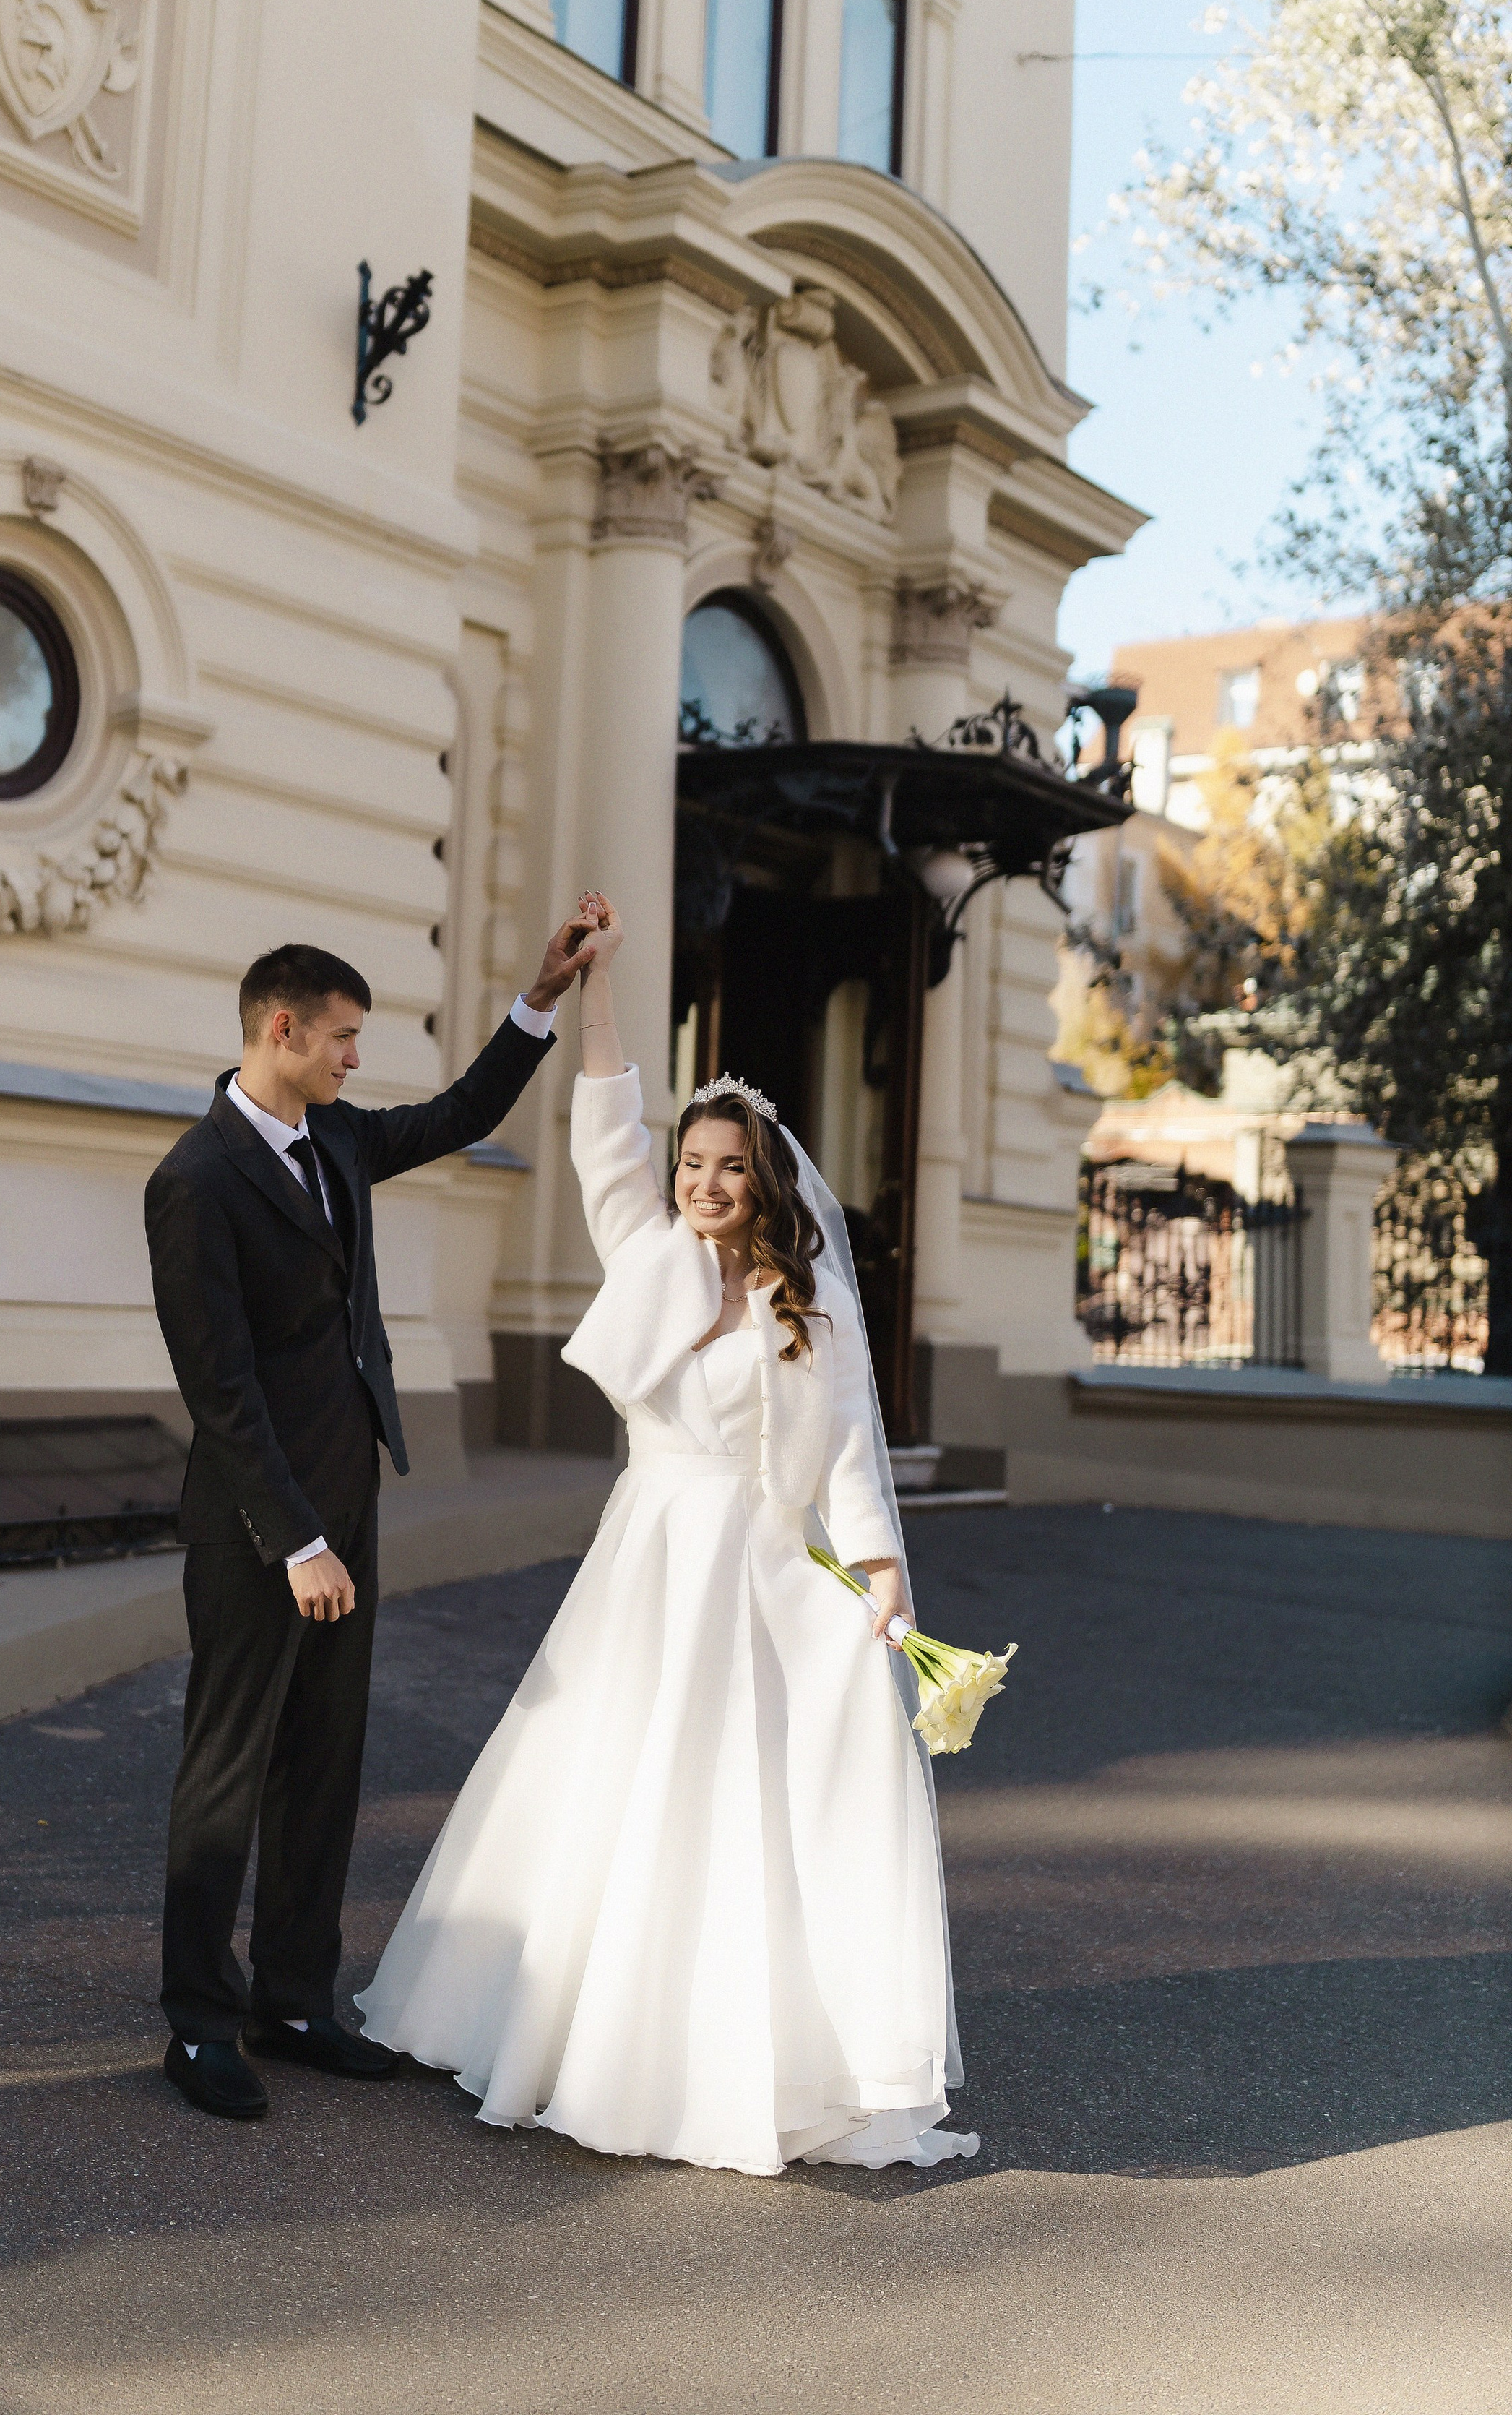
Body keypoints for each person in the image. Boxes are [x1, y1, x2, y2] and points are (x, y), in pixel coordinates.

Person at [356, 894, 978, 2175]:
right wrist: (594, 984)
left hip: (754, 1572)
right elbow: (601, 1120)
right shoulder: (645, 1252)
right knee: (606, 1780)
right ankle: (569, 2030)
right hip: (645, 1564)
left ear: (765, 1183)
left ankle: (730, 2048)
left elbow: (854, 1456)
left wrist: (884, 1586)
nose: (702, 1183)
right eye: (691, 1163)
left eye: (726, 1167)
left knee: (743, 1802)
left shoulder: (813, 1314)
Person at [148, 915, 600, 2120]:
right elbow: (221, 1387)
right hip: (263, 1521)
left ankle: (293, 2002)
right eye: (343, 1038)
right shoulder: (193, 1182)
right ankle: (198, 2026)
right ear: (282, 1029)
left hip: (347, 1497)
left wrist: (539, 1002)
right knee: (229, 1770)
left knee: (326, 1762)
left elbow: (457, 1116)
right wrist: (294, 1539)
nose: (357, 1059)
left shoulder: (337, 1139)